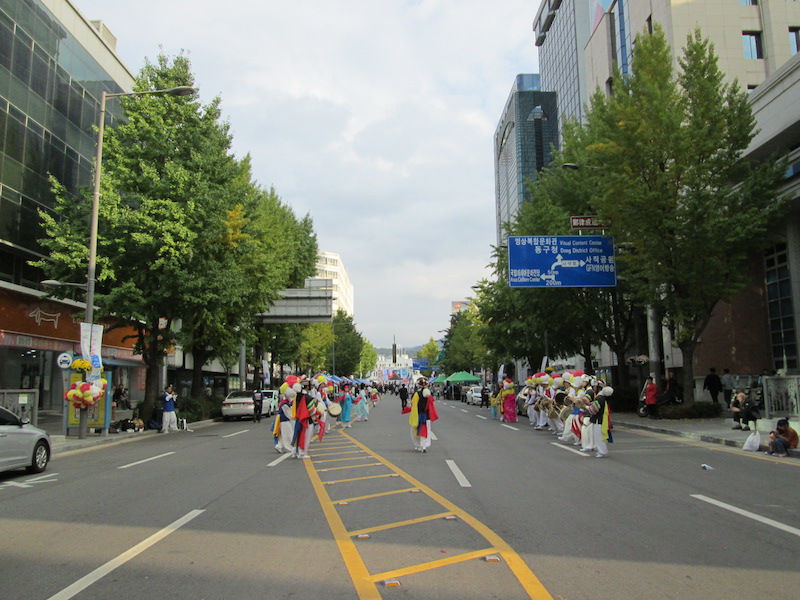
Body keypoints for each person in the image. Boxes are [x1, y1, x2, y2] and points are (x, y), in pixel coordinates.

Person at [410, 377, 438, 452]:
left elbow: (413, 404)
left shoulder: (416, 394)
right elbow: (431, 404)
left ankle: (418, 445)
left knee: (415, 431)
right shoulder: (429, 395)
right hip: (427, 416)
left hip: (418, 415)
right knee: (426, 431)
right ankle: (424, 445)